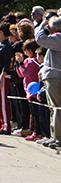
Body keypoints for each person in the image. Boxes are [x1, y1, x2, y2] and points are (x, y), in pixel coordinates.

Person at [35, 15, 61, 149]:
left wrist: (41, 25)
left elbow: (40, 39)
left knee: (56, 108)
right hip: (54, 76)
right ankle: (54, 136)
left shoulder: (58, 38)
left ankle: (57, 137)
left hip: (56, 78)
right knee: (54, 108)